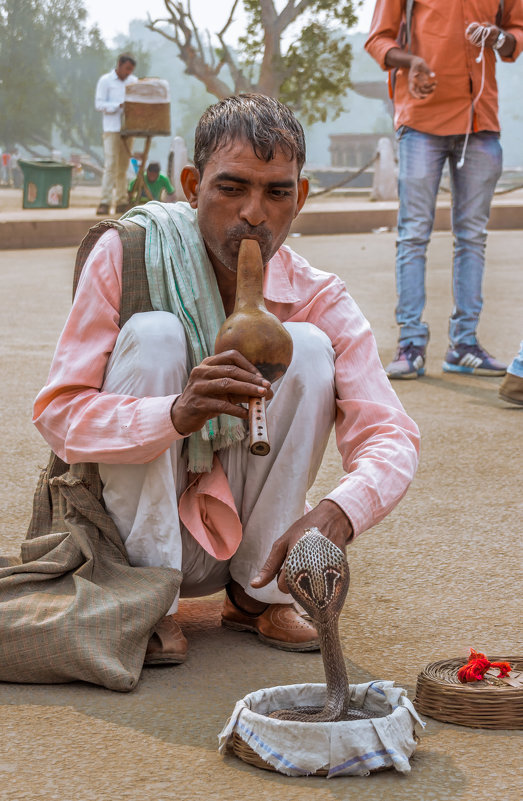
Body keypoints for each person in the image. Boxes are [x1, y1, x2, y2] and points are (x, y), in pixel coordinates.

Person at [33, 94, 420, 665]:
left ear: (301, 197)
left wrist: (339, 514)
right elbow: (58, 413)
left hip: (247, 543)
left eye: (277, 192)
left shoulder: (316, 295)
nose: (254, 214)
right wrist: (174, 414)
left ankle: (256, 595)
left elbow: (391, 434)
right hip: (130, 534)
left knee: (308, 347)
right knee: (158, 335)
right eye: (231, 188)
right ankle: (148, 600)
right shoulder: (128, 254)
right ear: (193, 186)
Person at [365, 1, 523, 379]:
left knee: (472, 236)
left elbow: (516, 35)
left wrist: (500, 37)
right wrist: (409, 61)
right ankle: (411, 345)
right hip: (421, 121)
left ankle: (464, 344)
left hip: (480, 121)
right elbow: (378, 39)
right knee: (414, 235)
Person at [95, 53, 137, 216]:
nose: (128, 73)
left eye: (130, 70)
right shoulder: (105, 81)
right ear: (119, 64)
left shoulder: (133, 82)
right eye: (126, 69)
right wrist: (117, 106)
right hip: (111, 128)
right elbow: (99, 104)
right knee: (111, 164)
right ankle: (105, 202)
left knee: (123, 167)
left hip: (129, 129)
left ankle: (121, 201)